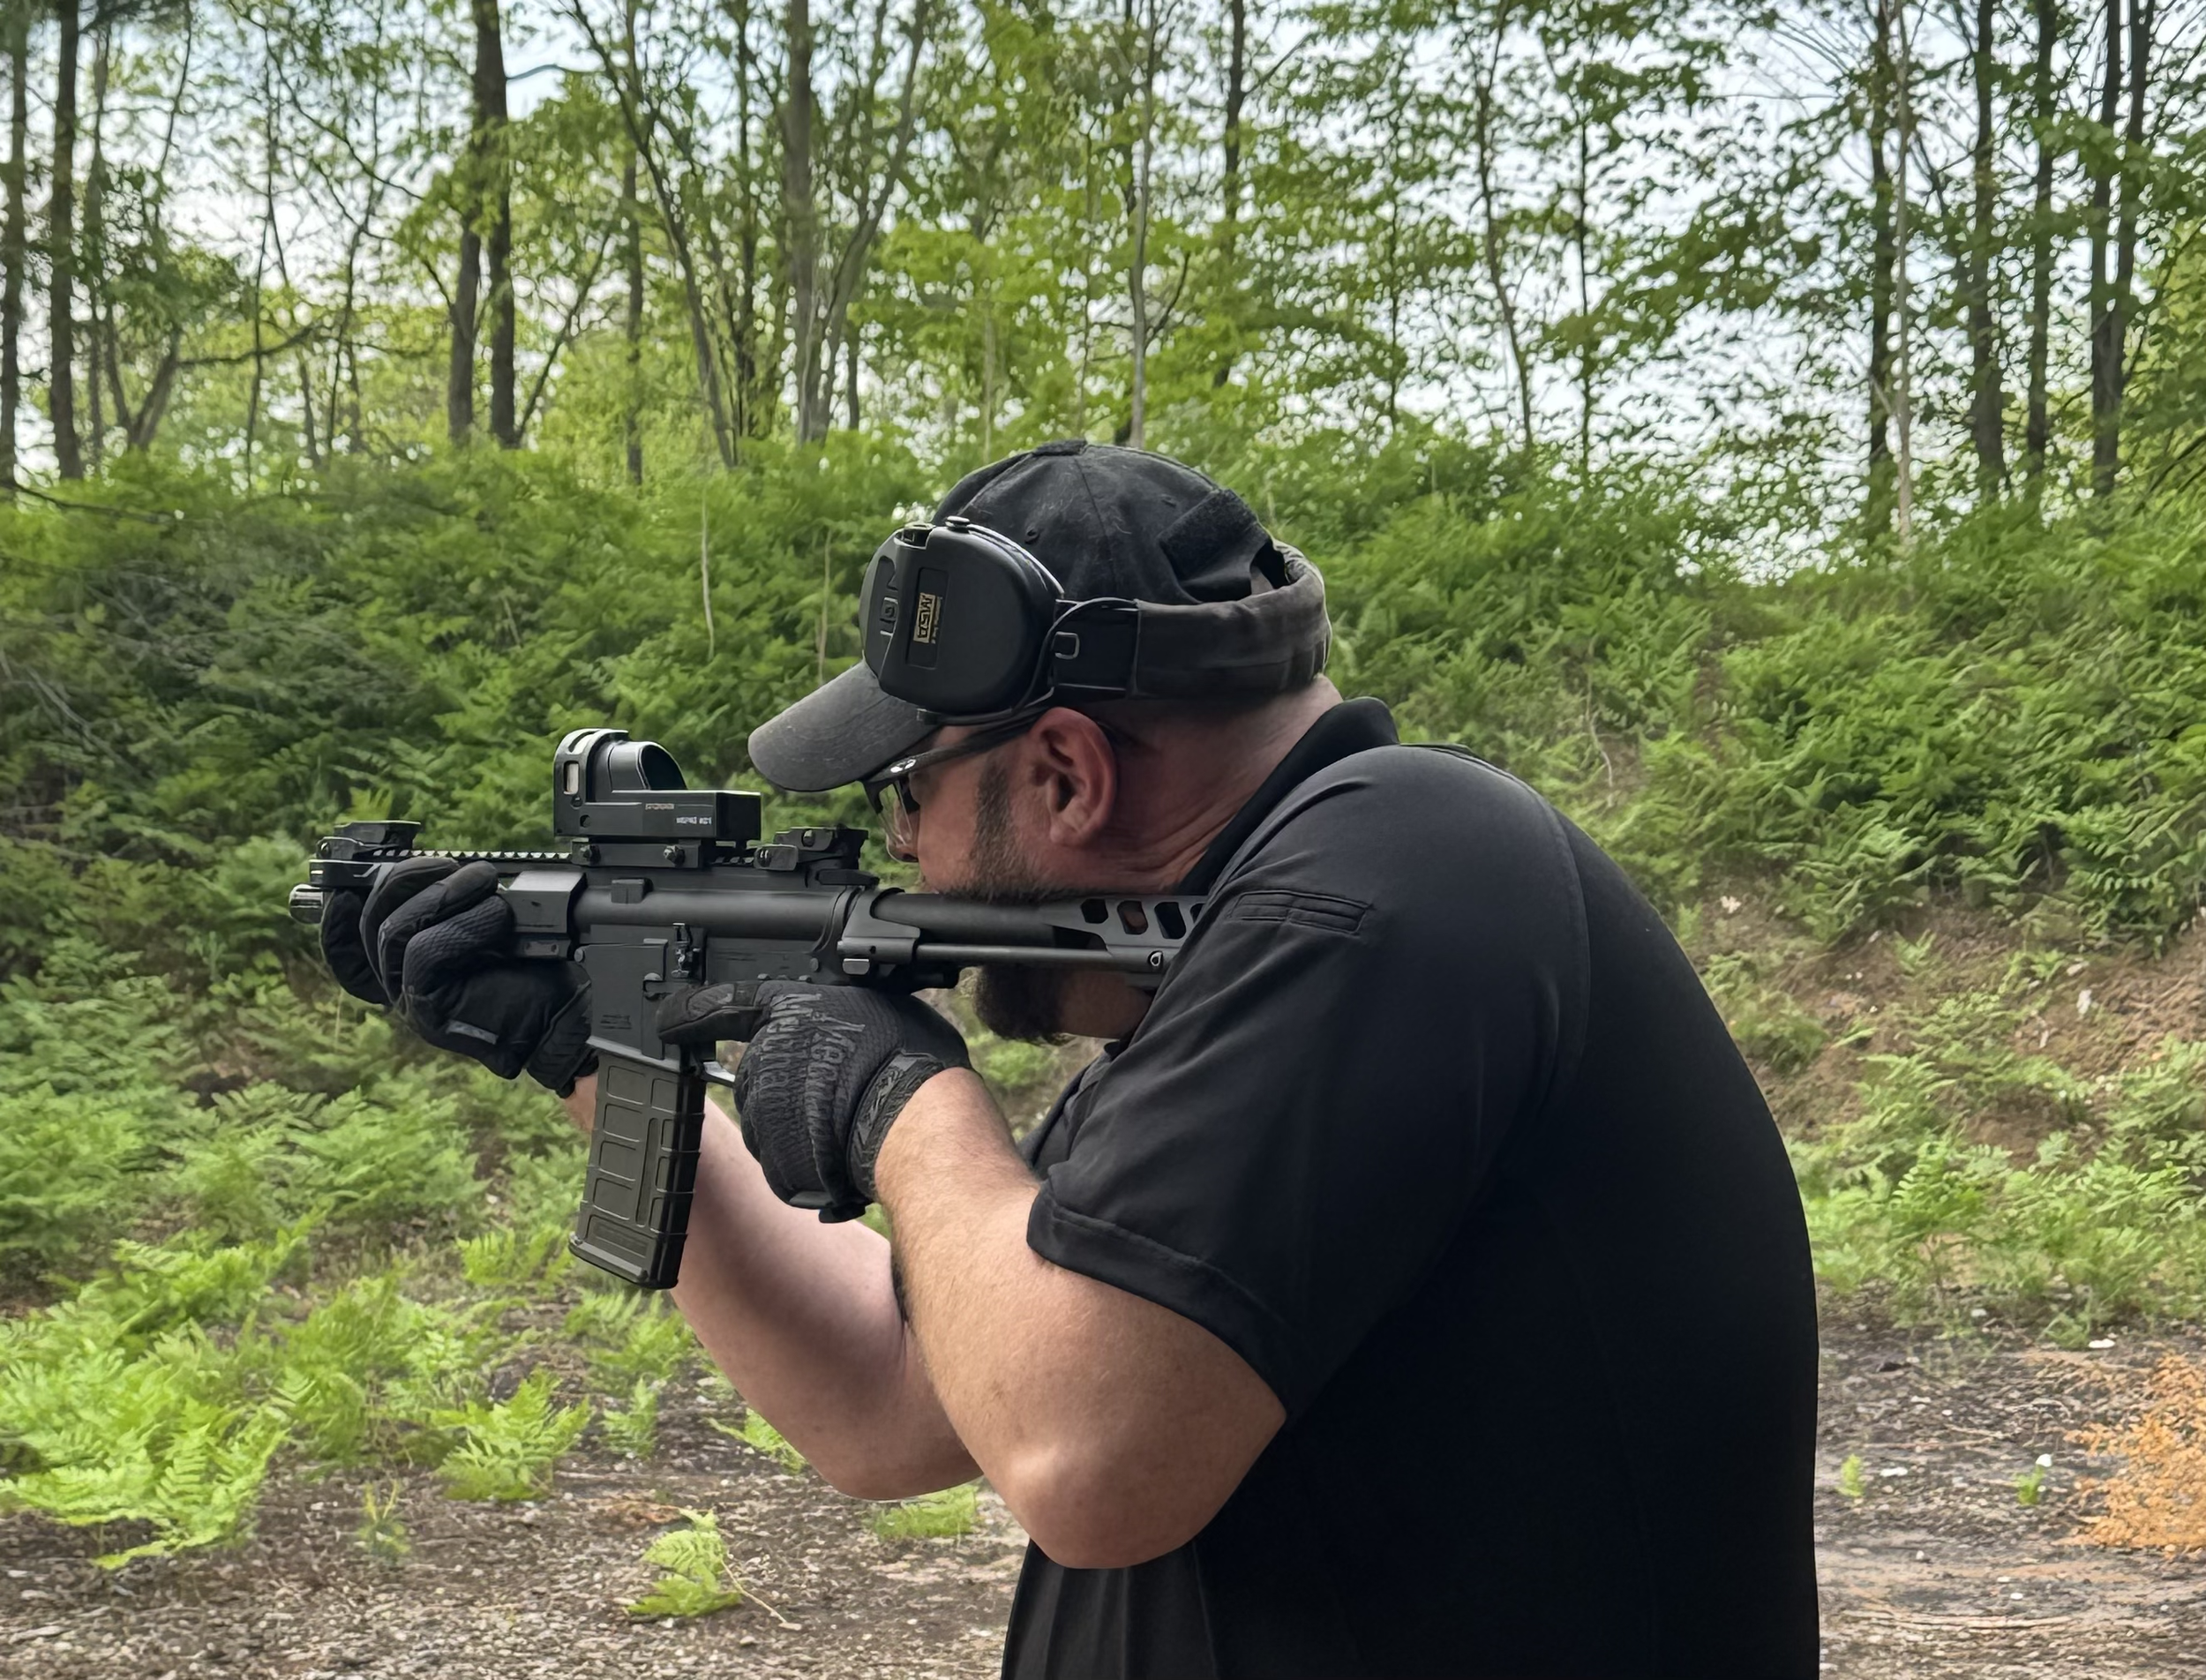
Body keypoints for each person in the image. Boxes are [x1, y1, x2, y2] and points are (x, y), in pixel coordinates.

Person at [326, 442, 1820, 1678]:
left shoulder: (1390, 876)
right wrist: (594, 1055)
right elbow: (900, 1403)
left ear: (1067, 772)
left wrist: (898, 1100)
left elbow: (1083, 1457)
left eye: (908, 790)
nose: (895, 843)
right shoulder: (1261, 956)